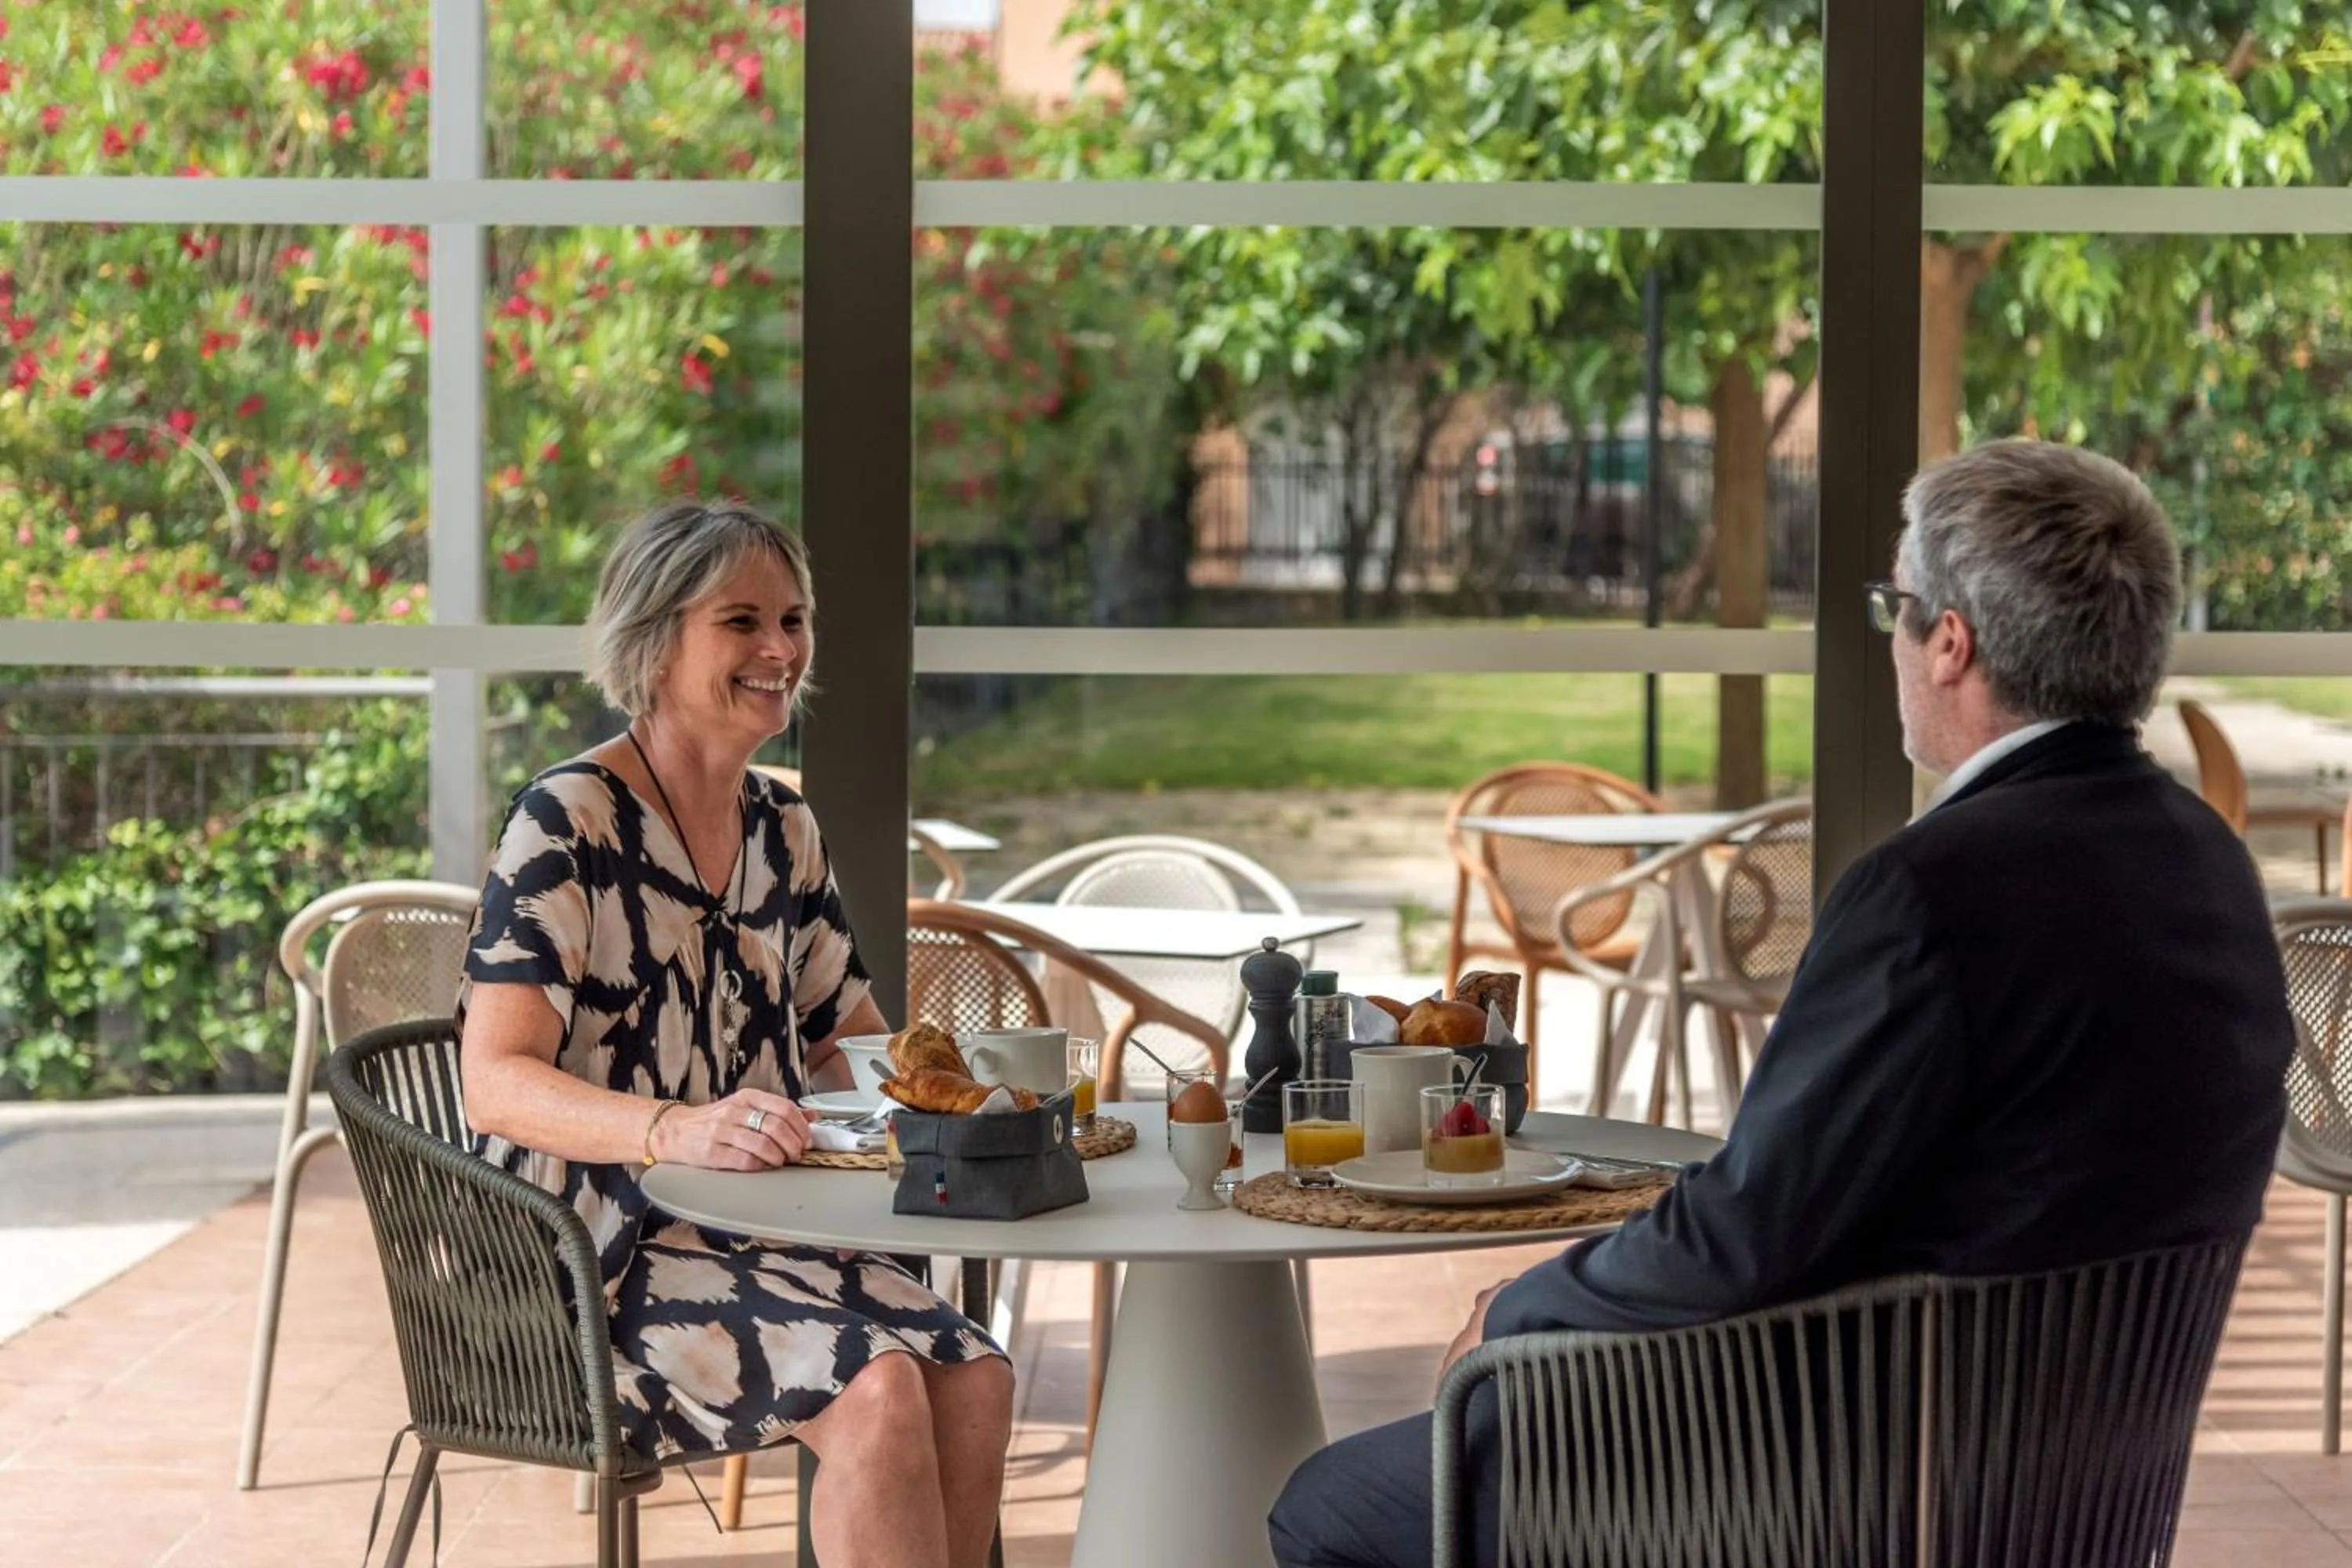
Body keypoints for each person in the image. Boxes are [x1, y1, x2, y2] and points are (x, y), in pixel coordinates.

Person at [1269, 439, 2296, 1567]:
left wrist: (1521, 1309)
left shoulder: (1931, 894)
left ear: (1949, 642)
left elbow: (1744, 1238)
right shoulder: (2208, 864)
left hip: (1848, 1493)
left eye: (1893, 609)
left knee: (1334, 1506)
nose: (1893, 641)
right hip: (2074, 1500)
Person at [458, 499, 1013, 1568]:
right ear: (654, 639)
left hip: (764, 1230)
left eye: (794, 620)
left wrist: (949, 1095)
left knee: (976, 1376)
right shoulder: (565, 820)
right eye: (742, 622)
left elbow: (846, 1037)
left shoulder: (780, 825)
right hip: (586, 1255)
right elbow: (495, 1082)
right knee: (880, 1389)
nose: (780, 650)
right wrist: (679, 1127)